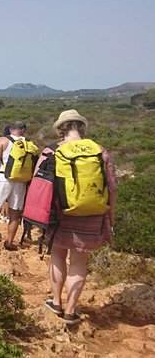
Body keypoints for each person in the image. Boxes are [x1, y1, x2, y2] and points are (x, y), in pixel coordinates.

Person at [45, 110, 117, 325]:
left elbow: (43, 187)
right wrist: (109, 213)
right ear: (81, 127)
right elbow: (112, 187)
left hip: (62, 213)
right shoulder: (100, 151)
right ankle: (70, 310)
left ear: (61, 129)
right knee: (79, 261)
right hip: (93, 212)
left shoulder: (53, 151)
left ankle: (56, 302)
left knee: (57, 255)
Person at [0, 121, 29, 250]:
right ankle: (9, 242)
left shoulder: (3, 140)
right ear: (23, 130)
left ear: (10, 129)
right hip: (21, 180)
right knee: (14, 213)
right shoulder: (29, 143)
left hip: (3, 177)